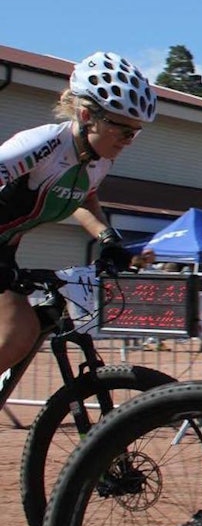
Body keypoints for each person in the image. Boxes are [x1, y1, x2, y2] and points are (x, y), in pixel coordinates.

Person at [0, 51, 156, 378]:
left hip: (5, 249)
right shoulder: (41, 145)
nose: (129, 141)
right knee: (17, 331)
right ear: (87, 116)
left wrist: (109, 240)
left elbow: (83, 200)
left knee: (23, 334)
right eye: (124, 131)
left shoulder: (98, 160)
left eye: (136, 132)